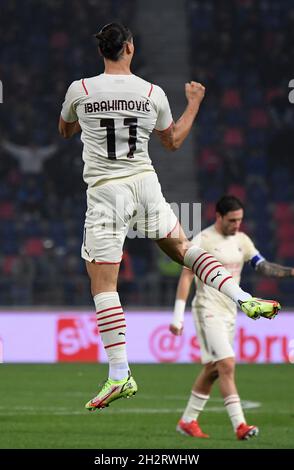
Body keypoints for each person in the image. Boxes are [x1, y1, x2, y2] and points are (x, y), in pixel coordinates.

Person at [58, 23, 280, 412]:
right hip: (145, 183)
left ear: (102, 52)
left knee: (103, 281)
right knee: (184, 249)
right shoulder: (151, 93)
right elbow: (173, 141)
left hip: (107, 192)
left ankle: (119, 373)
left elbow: (64, 130)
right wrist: (193, 101)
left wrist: (87, 117)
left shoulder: (81, 89)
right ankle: (243, 297)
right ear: (129, 47)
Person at [170, 195, 293, 440]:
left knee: (214, 369)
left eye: (240, 220)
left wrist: (291, 272)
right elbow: (186, 276)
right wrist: (177, 316)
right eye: (232, 220)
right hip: (208, 309)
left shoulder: (242, 240)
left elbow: (263, 266)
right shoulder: (203, 240)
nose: (237, 224)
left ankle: (187, 421)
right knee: (227, 364)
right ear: (218, 216)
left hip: (230, 312)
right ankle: (240, 426)